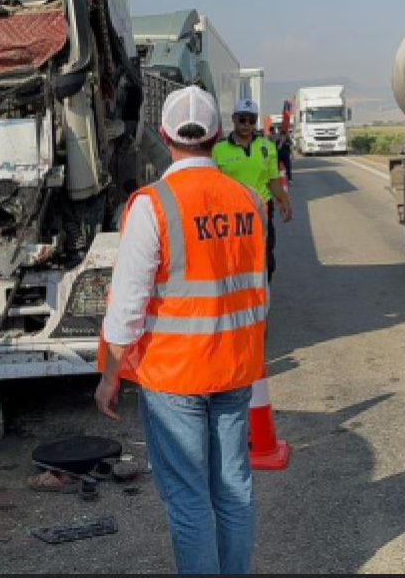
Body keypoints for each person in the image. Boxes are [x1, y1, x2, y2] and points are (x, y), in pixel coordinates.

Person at [96, 85, 269, 575]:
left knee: (189, 498)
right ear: (218, 134)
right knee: (234, 490)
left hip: (174, 375)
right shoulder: (249, 201)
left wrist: (109, 375)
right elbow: (259, 288)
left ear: (163, 134)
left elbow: (127, 305)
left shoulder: (152, 205)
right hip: (234, 367)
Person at [212, 99, 294, 280]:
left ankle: (262, 292)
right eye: (242, 119)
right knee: (234, 259)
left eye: (251, 120)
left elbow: (273, 181)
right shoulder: (218, 150)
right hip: (231, 215)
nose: (246, 125)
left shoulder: (267, 147)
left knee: (266, 259)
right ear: (234, 119)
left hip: (261, 211)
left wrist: (285, 202)